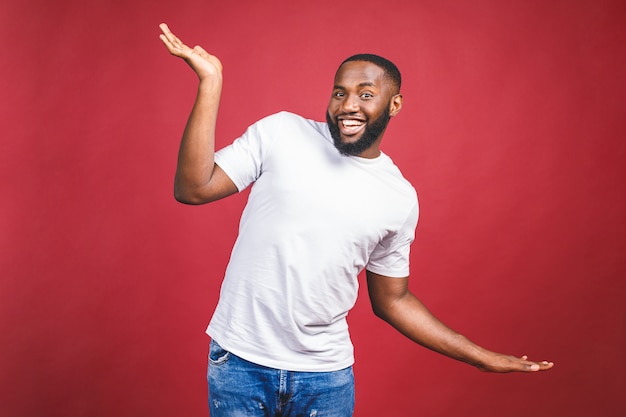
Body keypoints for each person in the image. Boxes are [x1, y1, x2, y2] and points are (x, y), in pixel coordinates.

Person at [158, 23, 554, 417]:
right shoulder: (281, 132)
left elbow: (393, 301)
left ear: (394, 104)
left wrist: (479, 356)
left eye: (366, 95)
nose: (349, 105)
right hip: (240, 361)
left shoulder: (398, 197)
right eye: (340, 93)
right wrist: (211, 82)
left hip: (325, 377)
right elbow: (193, 188)